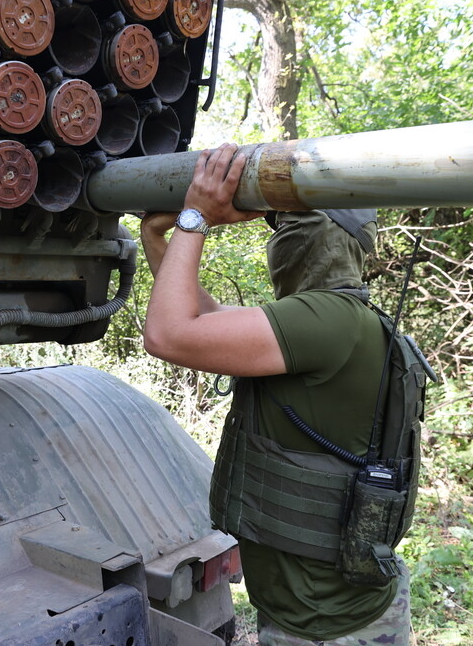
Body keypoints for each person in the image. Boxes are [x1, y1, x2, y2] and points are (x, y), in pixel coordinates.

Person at [140, 143, 412, 645]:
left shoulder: (330, 319)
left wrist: (197, 215)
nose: (278, 240)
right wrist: (159, 232)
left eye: (287, 224)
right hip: (315, 608)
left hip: (327, 624)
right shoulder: (337, 319)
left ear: (323, 235)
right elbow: (201, 319)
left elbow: (168, 335)